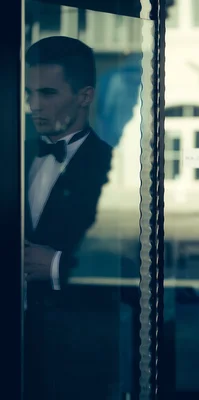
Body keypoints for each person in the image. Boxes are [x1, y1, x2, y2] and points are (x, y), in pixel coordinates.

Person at [23, 36, 113, 399]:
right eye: (29, 93)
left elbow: (131, 254)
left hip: (74, 343)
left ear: (84, 96)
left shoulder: (113, 165)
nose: (33, 106)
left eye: (47, 93)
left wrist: (60, 266)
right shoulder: (15, 153)